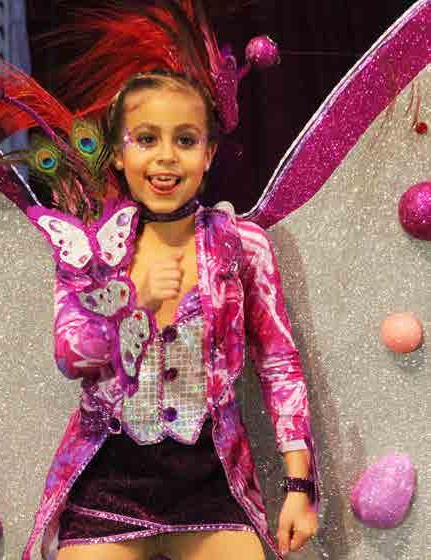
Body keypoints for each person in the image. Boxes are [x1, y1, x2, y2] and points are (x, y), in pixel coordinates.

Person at [31, 71, 318, 560]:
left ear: (208, 153)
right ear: (118, 153)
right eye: (146, 139)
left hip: (212, 481)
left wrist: (299, 485)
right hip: (109, 483)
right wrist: (132, 301)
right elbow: (71, 357)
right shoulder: (93, 251)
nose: (166, 156)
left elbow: (278, 364)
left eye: (185, 140)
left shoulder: (241, 246)